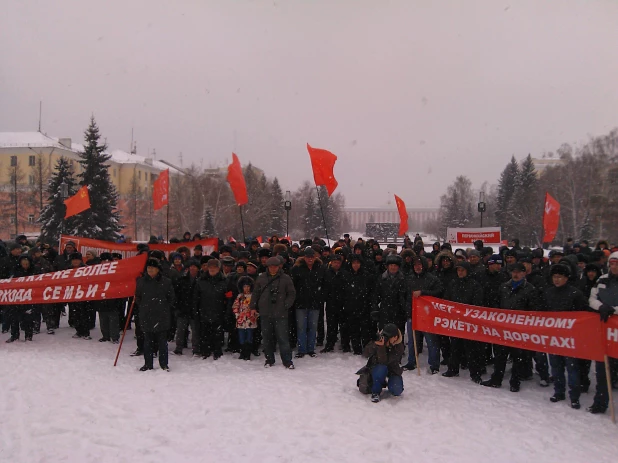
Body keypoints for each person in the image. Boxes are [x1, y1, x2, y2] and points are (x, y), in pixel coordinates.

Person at [541, 264, 589, 409]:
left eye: (559, 277)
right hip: (554, 336)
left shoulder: (575, 294)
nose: (556, 280)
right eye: (554, 277)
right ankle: (559, 391)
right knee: (555, 367)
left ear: (566, 278)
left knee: (572, 368)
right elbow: (543, 312)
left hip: (570, 338)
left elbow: (584, 315)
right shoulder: (548, 292)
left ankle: (574, 396)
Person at [442, 261, 485, 383]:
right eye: (458, 270)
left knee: (471, 349)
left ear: (467, 271)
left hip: (469, 321)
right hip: (456, 321)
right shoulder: (453, 283)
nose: (460, 272)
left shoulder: (474, 285)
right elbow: (447, 299)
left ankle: (475, 373)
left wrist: (464, 310)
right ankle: (453, 369)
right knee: (455, 346)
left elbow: (477, 302)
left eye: (462, 270)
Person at [251, 256, 296, 369]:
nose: (273, 268)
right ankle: (269, 359)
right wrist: (253, 307)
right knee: (267, 338)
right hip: (265, 312)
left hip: (281, 313)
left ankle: (287, 360)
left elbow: (292, 293)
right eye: (271, 266)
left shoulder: (286, 278)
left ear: (279, 266)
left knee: (283, 338)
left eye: (275, 266)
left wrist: (286, 305)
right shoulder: (261, 278)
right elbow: (255, 293)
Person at [587, 251, 618, 414]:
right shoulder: (602, 279)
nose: (614, 267)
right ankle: (600, 402)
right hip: (605, 330)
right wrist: (601, 307)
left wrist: (614, 310)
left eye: (617, 264)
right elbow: (592, 298)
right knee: (602, 368)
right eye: (612, 263)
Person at [134, 258, 176, 371]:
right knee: (147, 342)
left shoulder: (166, 282)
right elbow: (137, 297)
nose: (150, 270)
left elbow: (171, 298)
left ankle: (164, 364)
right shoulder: (141, 281)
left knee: (162, 343)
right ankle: (148, 364)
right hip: (146, 315)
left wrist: (163, 307)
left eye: (152, 268)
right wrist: (145, 306)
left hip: (162, 316)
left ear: (158, 269)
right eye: (148, 268)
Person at [406, 256, 444, 373]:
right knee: (412, 341)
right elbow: (405, 296)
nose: (417, 267)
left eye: (419, 264)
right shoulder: (409, 279)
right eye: (415, 265)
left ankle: (434, 365)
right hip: (413, 314)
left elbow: (439, 292)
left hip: (427, 315)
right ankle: (411, 362)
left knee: (431, 341)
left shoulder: (432, 279)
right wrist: (408, 310)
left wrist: (423, 293)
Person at [357, 323, 404, 403]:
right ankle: (376, 392)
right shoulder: (379, 339)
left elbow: (386, 361)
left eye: (389, 337)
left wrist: (382, 347)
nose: (386, 338)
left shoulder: (399, 347)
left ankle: (386, 382)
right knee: (381, 368)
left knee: (397, 390)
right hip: (378, 367)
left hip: (392, 369)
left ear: (395, 337)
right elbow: (365, 353)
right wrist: (375, 345)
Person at [291, 247, 324, 357]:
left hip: (315, 303)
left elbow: (324, 284)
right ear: (304, 257)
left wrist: (320, 296)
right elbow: (293, 286)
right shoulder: (297, 268)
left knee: (313, 327)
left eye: (312, 257)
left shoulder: (320, 268)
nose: (310, 259)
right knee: (301, 327)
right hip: (301, 303)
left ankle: (311, 349)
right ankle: (301, 349)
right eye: (308, 257)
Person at [193, 258, 228, 360]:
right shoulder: (200, 281)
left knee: (218, 334)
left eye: (215, 267)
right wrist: (196, 311)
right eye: (210, 267)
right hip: (204, 311)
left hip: (219, 311)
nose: (212, 269)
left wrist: (226, 312)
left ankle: (217, 351)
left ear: (218, 268)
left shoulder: (224, 281)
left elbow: (228, 298)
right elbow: (196, 298)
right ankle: (205, 351)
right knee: (204, 333)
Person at [173, 260, 200, 356]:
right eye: (191, 267)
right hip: (183, 309)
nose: (192, 269)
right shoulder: (182, 279)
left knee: (195, 331)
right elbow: (177, 294)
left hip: (195, 310)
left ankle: (196, 349)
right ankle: (178, 348)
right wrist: (177, 307)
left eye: (195, 267)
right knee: (180, 330)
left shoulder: (200, 280)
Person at [232, 276, 259, 360]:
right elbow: (235, 306)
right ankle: (242, 351)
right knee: (241, 336)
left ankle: (248, 352)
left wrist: (255, 314)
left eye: (248, 286)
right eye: (244, 286)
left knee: (249, 336)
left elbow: (257, 307)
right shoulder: (240, 296)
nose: (246, 288)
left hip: (250, 319)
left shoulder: (253, 297)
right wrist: (237, 313)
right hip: (241, 319)